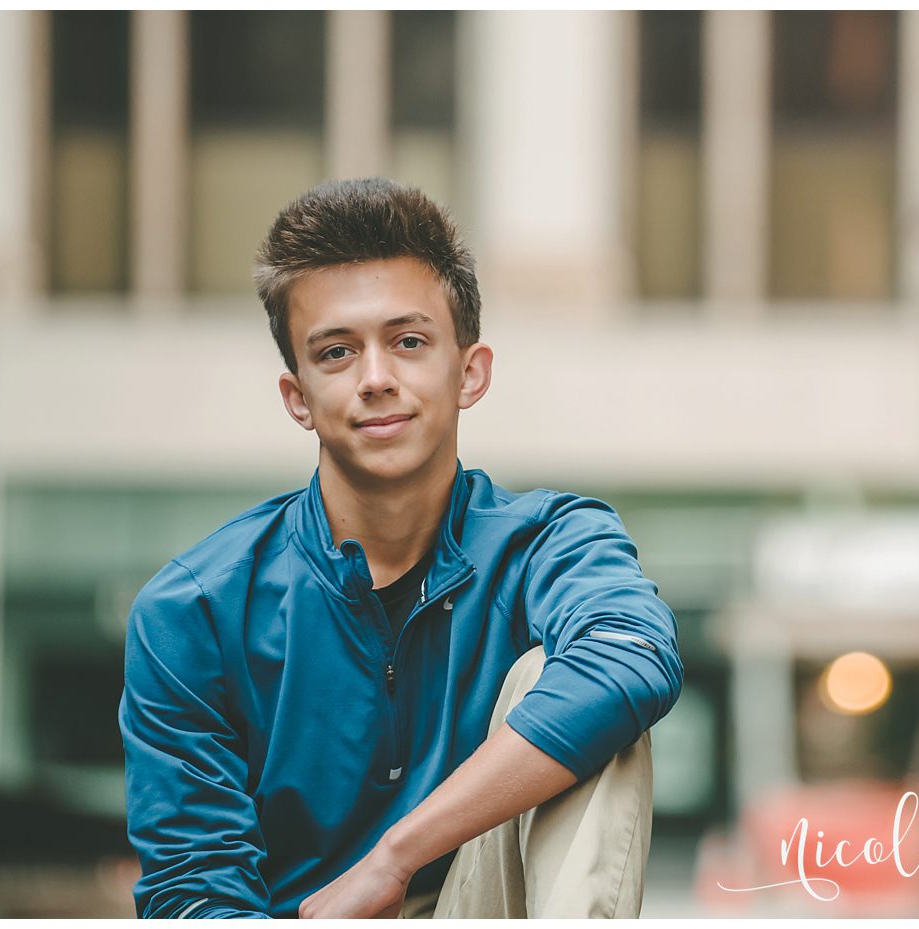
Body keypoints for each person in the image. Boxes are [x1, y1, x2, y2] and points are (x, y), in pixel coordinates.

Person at [120, 178, 684, 918]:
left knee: (577, 690)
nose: (377, 378)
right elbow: (194, 891)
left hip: (485, 905)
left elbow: (629, 656)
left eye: (409, 341)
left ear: (469, 372)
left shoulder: (551, 541)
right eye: (336, 352)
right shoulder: (193, 610)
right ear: (298, 397)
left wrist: (395, 856)